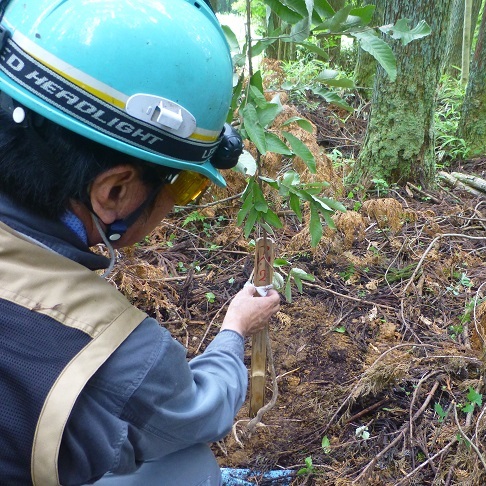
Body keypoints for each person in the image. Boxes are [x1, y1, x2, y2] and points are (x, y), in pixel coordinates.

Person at [0, 0, 281, 485]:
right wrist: (234, 329)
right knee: (184, 465)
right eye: (183, 186)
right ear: (114, 190)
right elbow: (197, 412)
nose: (176, 203)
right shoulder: (106, 349)